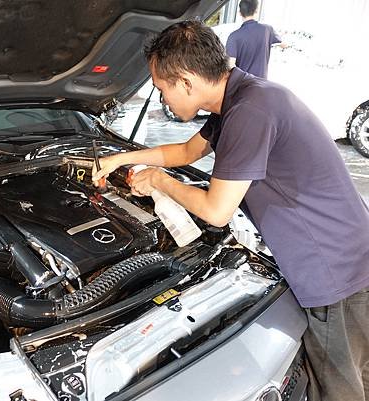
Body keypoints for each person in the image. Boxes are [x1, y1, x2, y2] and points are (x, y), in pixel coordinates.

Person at [92, 20, 369, 401]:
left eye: (161, 90)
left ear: (186, 82)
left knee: (339, 386)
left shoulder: (249, 112)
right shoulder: (243, 97)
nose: (163, 102)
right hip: (345, 253)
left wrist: (159, 181)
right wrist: (121, 158)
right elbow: (187, 153)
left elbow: (217, 211)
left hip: (334, 272)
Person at [226, 0, 285, 78]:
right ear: (256, 10)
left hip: (244, 84)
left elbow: (230, 65)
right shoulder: (267, 30)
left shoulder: (234, 36)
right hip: (262, 83)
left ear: (239, 13)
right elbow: (283, 44)